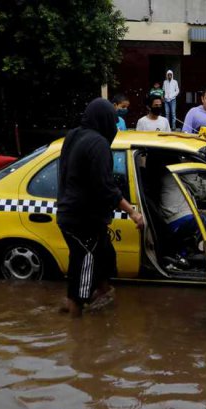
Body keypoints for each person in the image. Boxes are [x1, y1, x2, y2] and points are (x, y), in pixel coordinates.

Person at [57, 98, 144, 317]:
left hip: (71, 211)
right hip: (82, 217)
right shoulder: (99, 144)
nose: (115, 127)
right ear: (104, 120)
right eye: (113, 122)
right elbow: (105, 187)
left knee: (104, 253)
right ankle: (76, 317)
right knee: (86, 261)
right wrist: (132, 212)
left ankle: (102, 291)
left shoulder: (74, 135)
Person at [159, 172, 206, 237]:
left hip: (171, 220)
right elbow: (198, 186)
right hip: (181, 219)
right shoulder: (178, 166)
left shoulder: (164, 170)